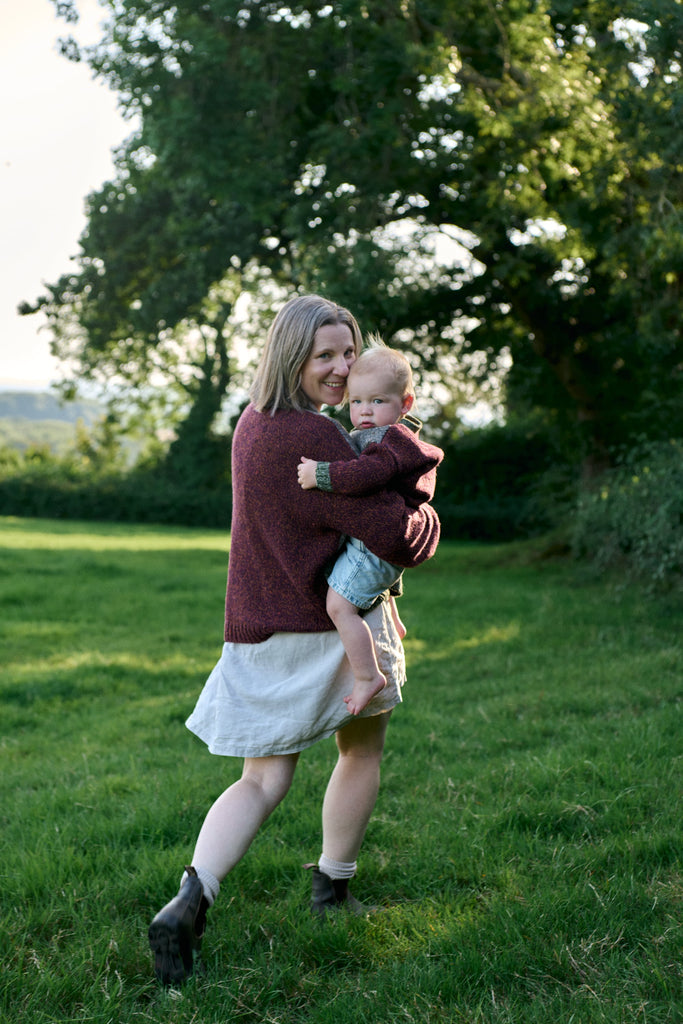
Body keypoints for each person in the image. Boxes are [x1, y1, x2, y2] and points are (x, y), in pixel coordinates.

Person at [147, 295, 440, 986]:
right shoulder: (316, 438)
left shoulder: (251, 425)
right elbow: (400, 535)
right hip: (335, 630)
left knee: (260, 779)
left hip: (260, 628)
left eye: (348, 352)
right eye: (325, 356)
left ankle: (190, 899)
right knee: (360, 750)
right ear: (293, 357)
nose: (340, 369)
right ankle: (331, 892)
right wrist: (428, 522)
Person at [297, 341, 443, 716]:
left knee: (339, 606)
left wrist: (321, 474)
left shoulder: (389, 439)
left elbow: (368, 474)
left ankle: (367, 676)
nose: (364, 411)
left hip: (374, 547)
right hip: (377, 542)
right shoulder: (383, 435)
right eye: (356, 401)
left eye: (377, 401)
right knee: (366, 587)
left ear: (404, 404)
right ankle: (394, 618)